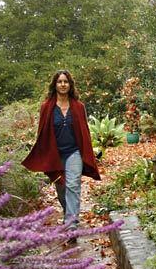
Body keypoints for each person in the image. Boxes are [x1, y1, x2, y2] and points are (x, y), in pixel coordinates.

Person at [22, 70, 100, 241]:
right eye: (60, 82)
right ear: (55, 85)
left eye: (66, 81)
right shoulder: (46, 107)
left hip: (74, 152)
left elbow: (84, 132)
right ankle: (68, 213)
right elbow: (42, 133)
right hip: (54, 154)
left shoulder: (79, 107)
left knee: (73, 185)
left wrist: (89, 153)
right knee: (61, 189)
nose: (63, 84)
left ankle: (71, 225)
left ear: (70, 85)